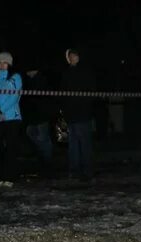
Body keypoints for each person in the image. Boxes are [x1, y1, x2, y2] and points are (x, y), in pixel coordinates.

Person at [0, 51, 22, 187]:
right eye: (0, 62)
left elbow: (15, 96)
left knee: (11, 148)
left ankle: (10, 177)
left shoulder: (16, 77)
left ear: (10, 63)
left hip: (12, 117)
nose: (2, 64)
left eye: (5, 62)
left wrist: (2, 110)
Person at [60, 48, 96, 181]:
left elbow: (91, 91)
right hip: (72, 115)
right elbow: (63, 94)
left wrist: (86, 107)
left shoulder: (85, 72)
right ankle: (74, 170)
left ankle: (86, 170)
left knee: (84, 143)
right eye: (71, 56)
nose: (74, 58)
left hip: (83, 114)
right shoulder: (66, 73)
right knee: (73, 144)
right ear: (68, 58)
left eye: (75, 55)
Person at [22, 64, 55, 178]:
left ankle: (47, 164)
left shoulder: (41, 80)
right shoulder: (27, 82)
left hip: (41, 116)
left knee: (43, 139)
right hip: (32, 116)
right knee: (32, 135)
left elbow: (45, 99)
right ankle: (43, 160)